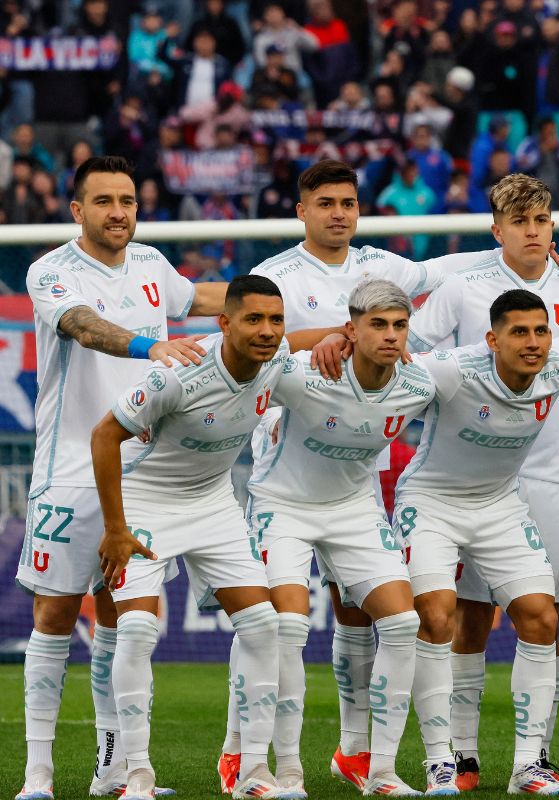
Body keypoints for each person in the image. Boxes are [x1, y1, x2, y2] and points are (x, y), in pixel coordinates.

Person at [221, 159, 508, 792]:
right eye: (324, 202)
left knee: (387, 622)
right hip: (288, 476)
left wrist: (529, 260)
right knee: (282, 623)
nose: (338, 213)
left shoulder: (385, 274)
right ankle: (255, 757)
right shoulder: (277, 275)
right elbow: (251, 338)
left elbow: (453, 270)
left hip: (357, 485)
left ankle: (369, 763)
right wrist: (325, 338)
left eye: (347, 202)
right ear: (302, 210)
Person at [16, 155, 225, 800]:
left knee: (121, 622)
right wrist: (148, 344)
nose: (119, 212)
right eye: (104, 201)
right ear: (77, 211)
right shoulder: (49, 271)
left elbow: (216, 299)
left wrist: (295, 287)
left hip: (141, 478)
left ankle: (115, 770)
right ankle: (38, 778)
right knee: (53, 616)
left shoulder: (154, 266)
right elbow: (82, 326)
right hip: (69, 472)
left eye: (128, 200)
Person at [397, 290, 559, 795]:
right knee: (435, 616)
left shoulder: (557, 360)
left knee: (542, 617)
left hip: (499, 503)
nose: (535, 342)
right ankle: (441, 763)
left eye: (541, 331)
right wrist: (334, 343)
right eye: (520, 332)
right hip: (431, 502)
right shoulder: (450, 369)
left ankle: (528, 767)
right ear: (492, 339)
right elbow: (384, 361)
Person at [89, 275, 328, 800]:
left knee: (264, 626)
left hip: (214, 504)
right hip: (146, 501)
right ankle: (137, 777)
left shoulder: (276, 359)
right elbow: (105, 434)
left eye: (275, 320)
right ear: (224, 323)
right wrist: (114, 528)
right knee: (134, 631)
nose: (267, 332)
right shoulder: (177, 374)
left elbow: (305, 342)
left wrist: (347, 334)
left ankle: (253, 776)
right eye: (253, 319)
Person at [404, 173, 559, 790]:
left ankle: (534, 758)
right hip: (465, 477)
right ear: (498, 230)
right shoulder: (463, 284)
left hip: (546, 477)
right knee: (466, 616)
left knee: (542, 617)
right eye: (520, 222)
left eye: (542, 221)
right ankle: (460, 756)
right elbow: (408, 347)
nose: (534, 232)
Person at [245, 279, 434, 797]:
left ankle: (382, 772)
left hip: (353, 509)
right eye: (378, 325)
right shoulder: (307, 374)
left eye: (399, 325)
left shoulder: (421, 383)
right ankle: (285, 771)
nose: (391, 335)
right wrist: (313, 340)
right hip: (283, 506)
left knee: (402, 623)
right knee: (286, 628)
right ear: (350, 330)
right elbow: (246, 351)